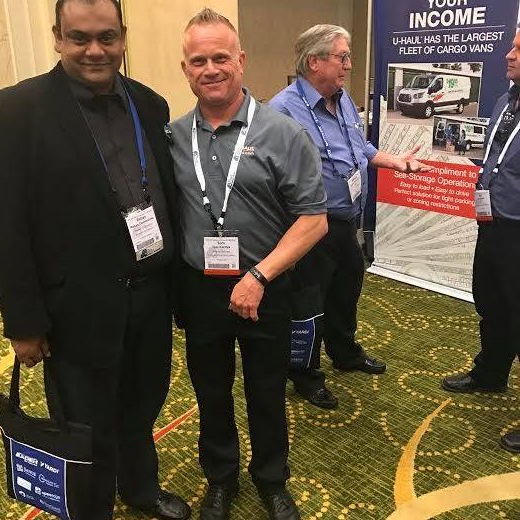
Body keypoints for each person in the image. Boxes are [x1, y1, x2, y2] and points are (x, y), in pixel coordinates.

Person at [0, 1, 190, 519]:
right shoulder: (12, 111)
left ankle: (140, 488)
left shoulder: (150, 104)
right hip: (74, 308)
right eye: (79, 38)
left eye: (106, 37)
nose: (94, 50)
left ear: (123, 37)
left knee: (142, 406)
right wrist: (24, 323)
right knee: (84, 422)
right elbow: (5, 228)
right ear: (57, 37)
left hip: (149, 295)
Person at [168, 9, 328, 520]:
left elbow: (314, 219)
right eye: (199, 60)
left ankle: (271, 479)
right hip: (200, 288)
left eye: (221, 57)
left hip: (266, 285)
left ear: (241, 60)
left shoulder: (283, 133)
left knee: (265, 390)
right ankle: (220, 478)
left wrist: (259, 276)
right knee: (210, 391)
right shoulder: (170, 137)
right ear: (185, 68)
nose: (210, 68)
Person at [269, 25, 431, 409]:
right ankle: (305, 375)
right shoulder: (281, 110)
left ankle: (344, 352)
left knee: (346, 288)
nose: (349, 65)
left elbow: (360, 148)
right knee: (309, 303)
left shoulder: (342, 100)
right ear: (315, 61)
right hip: (308, 226)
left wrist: (395, 161)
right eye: (342, 56)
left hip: (346, 220)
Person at [442, 28, 520, 396]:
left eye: (519, 50)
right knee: (491, 301)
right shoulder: (504, 102)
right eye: (511, 47)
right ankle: (490, 374)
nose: (509, 55)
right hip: (493, 223)